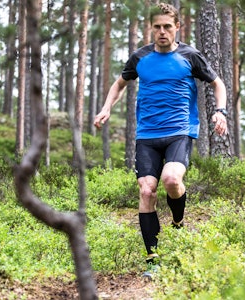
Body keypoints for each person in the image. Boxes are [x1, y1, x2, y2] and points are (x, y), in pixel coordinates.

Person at [94, 2, 228, 278]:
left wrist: (220, 111)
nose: (162, 31)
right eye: (157, 27)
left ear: (177, 27)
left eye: (168, 26)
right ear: (151, 28)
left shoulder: (190, 56)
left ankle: (178, 223)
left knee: (171, 180)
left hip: (179, 131)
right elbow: (120, 83)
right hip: (146, 135)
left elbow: (218, 83)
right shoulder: (140, 57)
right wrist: (107, 107)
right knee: (146, 191)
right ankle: (153, 259)